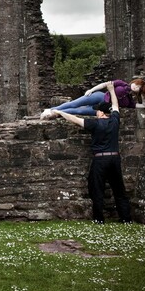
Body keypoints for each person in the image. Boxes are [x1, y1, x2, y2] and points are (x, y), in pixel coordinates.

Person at [53, 82, 132, 224]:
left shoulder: (95, 123)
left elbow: (75, 119)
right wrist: (111, 90)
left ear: (101, 113)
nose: (96, 113)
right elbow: (115, 105)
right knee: (119, 190)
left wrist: (59, 112)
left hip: (100, 160)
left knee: (97, 189)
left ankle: (99, 218)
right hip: (114, 158)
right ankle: (126, 218)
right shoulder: (115, 120)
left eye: (97, 111)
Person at [41, 78, 145, 118]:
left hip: (102, 109)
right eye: (136, 84)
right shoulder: (122, 83)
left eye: (138, 88)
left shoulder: (129, 101)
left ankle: (55, 112)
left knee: (78, 111)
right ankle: (51, 110)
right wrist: (91, 90)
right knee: (74, 103)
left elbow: (144, 105)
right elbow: (104, 85)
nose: (135, 86)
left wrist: (143, 95)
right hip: (99, 96)